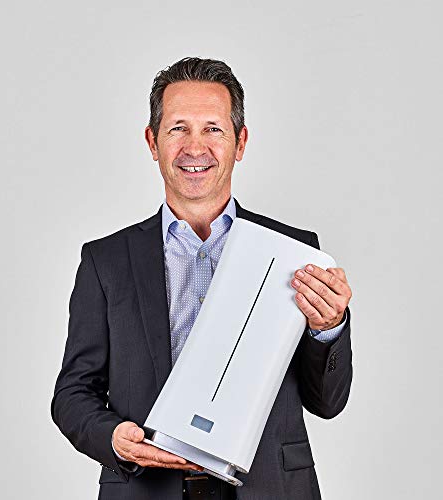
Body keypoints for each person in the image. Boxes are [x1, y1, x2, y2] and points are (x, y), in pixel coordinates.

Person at [51, 57, 353, 500]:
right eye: (178, 129)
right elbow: (73, 393)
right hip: (146, 489)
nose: (195, 148)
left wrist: (328, 329)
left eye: (213, 128)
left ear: (240, 142)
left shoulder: (296, 254)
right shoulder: (106, 261)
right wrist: (113, 438)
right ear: (152, 142)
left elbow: (327, 402)